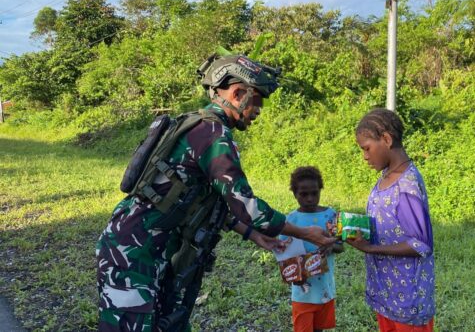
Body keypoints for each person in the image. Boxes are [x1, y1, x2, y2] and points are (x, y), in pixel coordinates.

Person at [95, 54, 336, 332]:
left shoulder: (200, 125)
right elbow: (246, 205)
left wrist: (254, 236)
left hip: (147, 246)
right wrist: (305, 233)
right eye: (258, 101)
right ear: (237, 93)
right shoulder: (213, 134)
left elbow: (207, 203)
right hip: (134, 252)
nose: (259, 111)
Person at [346, 108, 435, 332]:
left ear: (386, 139)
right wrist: (346, 227)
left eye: (367, 148)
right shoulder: (386, 176)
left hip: (407, 301)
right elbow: (385, 221)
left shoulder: (407, 185)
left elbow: (420, 244)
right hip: (386, 293)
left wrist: (371, 249)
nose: (365, 156)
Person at [280, 166, 343, 332]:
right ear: (294, 193)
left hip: (325, 288)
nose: (310, 198)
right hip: (302, 291)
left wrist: (331, 246)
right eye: (304, 194)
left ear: (320, 190)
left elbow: (340, 246)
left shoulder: (330, 216)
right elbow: (283, 254)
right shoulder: (289, 221)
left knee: (319, 329)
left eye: (314, 193)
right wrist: (293, 276)